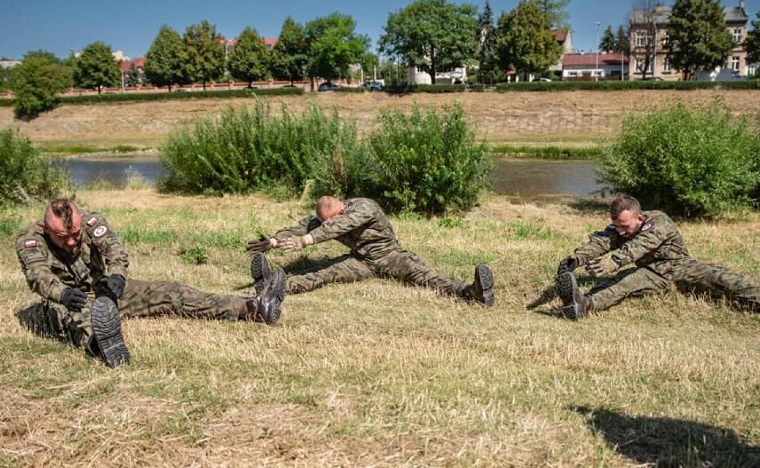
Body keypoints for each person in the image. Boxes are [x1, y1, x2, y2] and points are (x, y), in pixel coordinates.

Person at [15, 199, 286, 368]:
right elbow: (39, 276)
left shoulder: (90, 220)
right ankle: (104, 347)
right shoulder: (30, 239)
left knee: (170, 291)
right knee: (75, 318)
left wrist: (118, 276)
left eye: (75, 234)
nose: (72, 242)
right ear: (47, 229)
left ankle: (251, 307)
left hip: (103, 290)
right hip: (66, 299)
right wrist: (63, 295)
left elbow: (114, 249)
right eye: (63, 237)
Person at [535, 195, 760, 330]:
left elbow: (642, 244)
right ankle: (581, 305)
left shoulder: (659, 221)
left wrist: (616, 259)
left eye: (625, 225)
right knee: (624, 284)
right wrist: (577, 258)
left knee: (732, 283)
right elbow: (602, 239)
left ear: (640, 217)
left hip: (681, 266)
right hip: (651, 272)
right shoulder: (620, 228)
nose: (621, 230)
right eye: (617, 225)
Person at [245, 195, 494, 306]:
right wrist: (275, 242)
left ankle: (473, 293)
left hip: (389, 257)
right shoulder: (325, 220)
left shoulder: (364, 207)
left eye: (328, 222)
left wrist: (307, 241)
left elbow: (340, 226)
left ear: (340, 211)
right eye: (323, 223)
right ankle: (272, 286)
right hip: (360, 261)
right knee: (321, 273)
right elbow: (301, 226)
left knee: (425, 277)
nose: (325, 227)